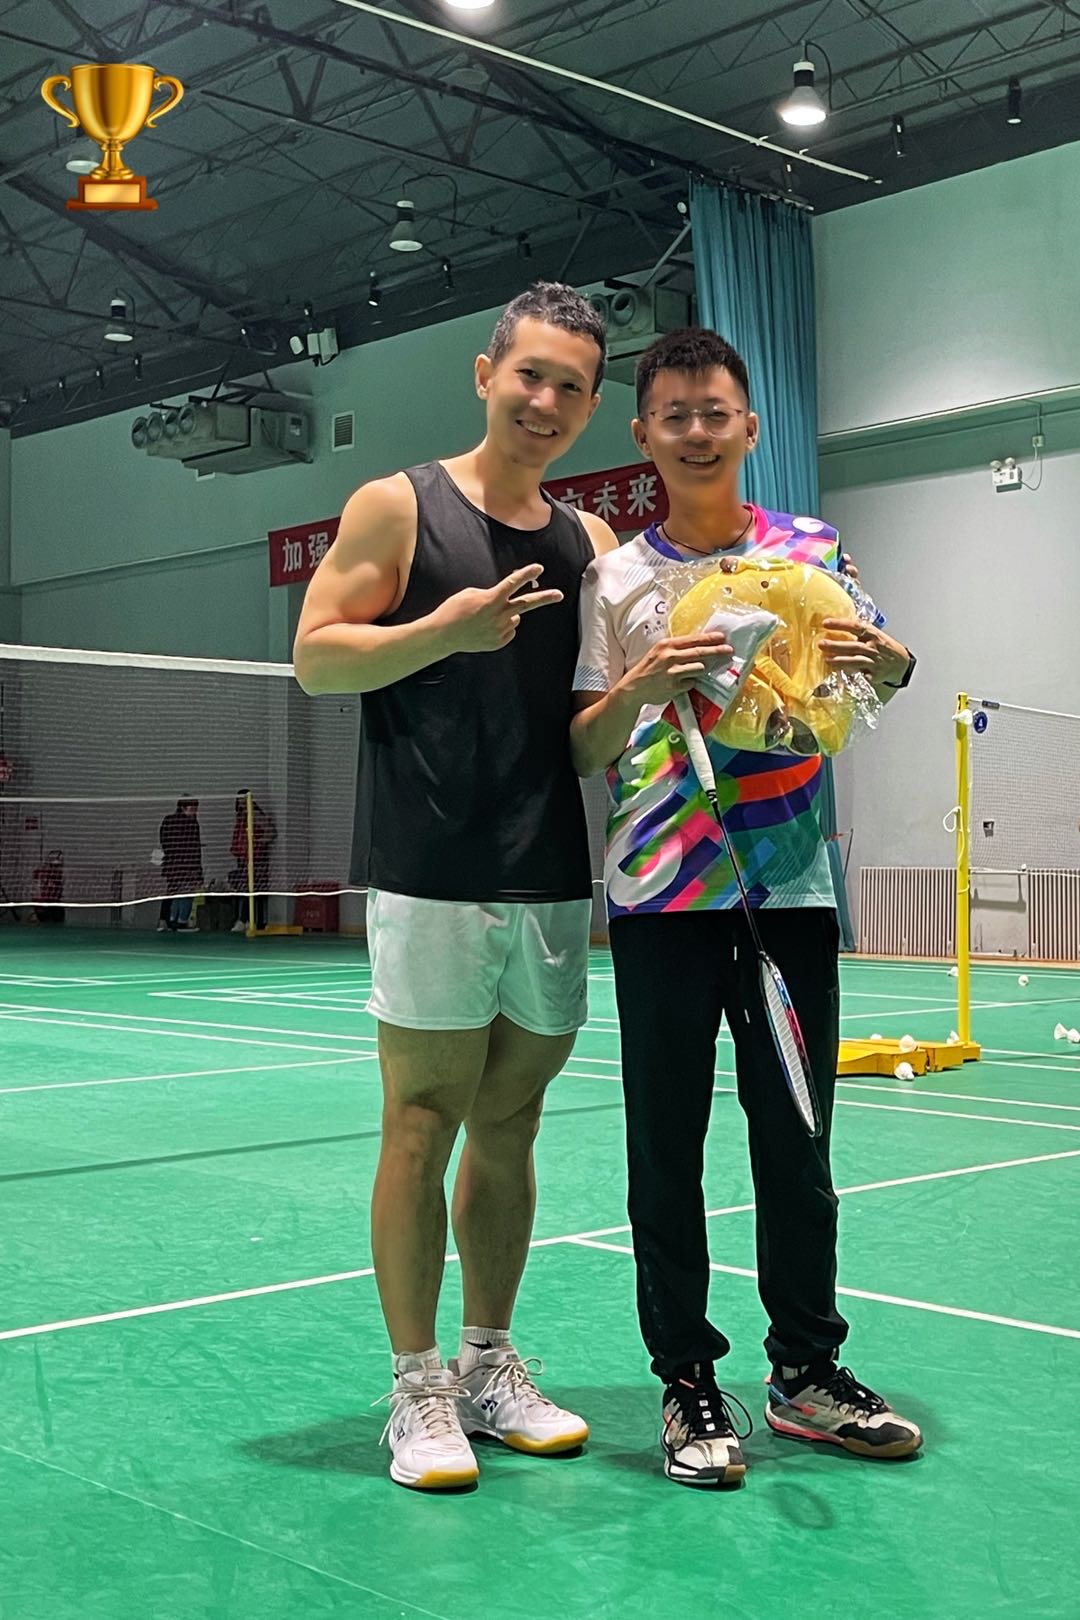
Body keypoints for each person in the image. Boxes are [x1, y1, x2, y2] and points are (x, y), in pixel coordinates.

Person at [570, 327, 922, 1489]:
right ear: (644, 434)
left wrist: (897, 664)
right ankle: (686, 1381)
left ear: (750, 425)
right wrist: (642, 682)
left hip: (792, 895)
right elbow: (582, 746)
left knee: (798, 1141)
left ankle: (806, 1372)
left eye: (714, 411)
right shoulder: (618, 579)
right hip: (662, 896)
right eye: (674, 414)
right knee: (665, 1149)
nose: (696, 431)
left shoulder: (812, 551)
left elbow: (862, 680)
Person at [293, 283, 618, 1491]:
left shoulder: (588, 544)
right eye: (529, 373)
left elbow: (590, 721)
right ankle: (417, 1387)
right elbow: (317, 657)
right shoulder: (399, 505)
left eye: (571, 386)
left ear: (589, 408)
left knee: (513, 1123)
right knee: (421, 1119)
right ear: (486, 374)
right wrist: (445, 629)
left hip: (549, 870)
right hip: (431, 867)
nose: (545, 400)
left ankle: (488, 1364)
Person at [229, 791, 276, 933]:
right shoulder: (240, 817)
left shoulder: (256, 815)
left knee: (252, 889)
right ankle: (245, 919)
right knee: (243, 889)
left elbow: (271, 832)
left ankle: (246, 920)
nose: (241, 803)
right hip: (243, 858)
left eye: (244, 800)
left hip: (255, 859)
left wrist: (256, 844)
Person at [157, 796, 203, 933]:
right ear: (183, 808)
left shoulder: (170, 821)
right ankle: (180, 922)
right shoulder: (191, 824)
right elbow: (194, 847)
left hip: (173, 864)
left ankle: (168, 921)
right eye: (192, 809)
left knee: (173, 892)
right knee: (184, 893)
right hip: (183, 865)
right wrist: (196, 868)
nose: (194, 812)